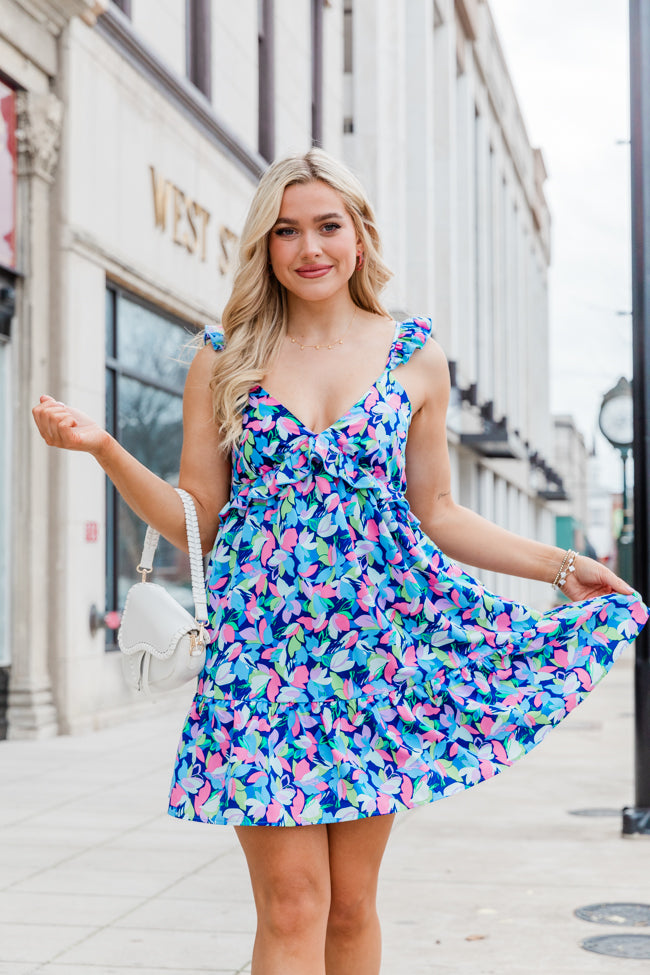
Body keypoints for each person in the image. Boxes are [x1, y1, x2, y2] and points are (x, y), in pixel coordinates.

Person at [33, 148, 647, 975]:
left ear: (360, 237)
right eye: (286, 230)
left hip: (375, 653)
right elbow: (196, 520)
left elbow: (436, 511)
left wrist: (560, 566)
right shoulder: (226, 356)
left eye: (328, 225)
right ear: (265, 246)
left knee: (353, 906)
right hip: (263, 656)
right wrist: (104, 445)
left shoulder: (413, 357)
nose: (309, 246)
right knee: (293, 904)